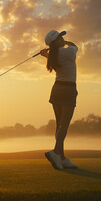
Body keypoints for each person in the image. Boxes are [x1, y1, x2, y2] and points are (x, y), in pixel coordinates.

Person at [40, 30, 79, 170]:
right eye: (60, 37)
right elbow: (76, 47)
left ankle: (62, 158)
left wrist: (46, 54)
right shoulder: (68, 52)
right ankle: (56, 153)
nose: (63, 38)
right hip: (68, 90)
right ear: (55, 42)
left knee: (59, 125)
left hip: (57, 90)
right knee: (64, 125)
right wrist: (68, 43)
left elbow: (52, 56)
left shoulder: (52, 56)